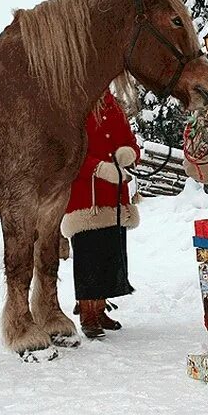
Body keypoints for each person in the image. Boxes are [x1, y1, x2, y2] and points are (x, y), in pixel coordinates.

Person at [61, 89, 141, 339]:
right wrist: (97, 168)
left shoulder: (113, 105)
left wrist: (129, 152)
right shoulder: (73, 105)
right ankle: (87, 312)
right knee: (88, 257)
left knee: (109, 254)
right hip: (86, 197)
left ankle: (99, 308)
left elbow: (130, 142)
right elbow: (69, 154)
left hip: (114, 195)